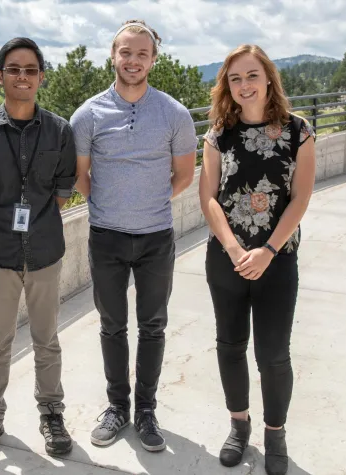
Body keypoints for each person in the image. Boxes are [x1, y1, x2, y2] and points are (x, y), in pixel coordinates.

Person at [70, 19, 197, 451]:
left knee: (153, 326)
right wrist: (110, 205)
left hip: (155, 237)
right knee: (111, 325)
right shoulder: (87, 115)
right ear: (113, 55)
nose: (133, 60)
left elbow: (183, 175)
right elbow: (80, 177)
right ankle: (117, 407)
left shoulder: (174, 114)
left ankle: (146, 411)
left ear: (153, 60)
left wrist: (147, 203)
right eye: (126, 52)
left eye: (142, 54)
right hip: (105, 236)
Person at [199, 44, 315, 475]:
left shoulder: (297, 131)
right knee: (230, 346)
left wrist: (266, 251)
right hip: (226, 259)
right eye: (235, 78)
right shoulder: (217, 133)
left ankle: (275, 431)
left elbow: (301, 198)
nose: (244, 86)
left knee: (273, 355)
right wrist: (233, 249)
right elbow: (207, 198)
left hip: (277, 260)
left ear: (268, 78)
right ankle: (238, 424)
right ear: (227, 86)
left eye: (251, 76)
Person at [0, 37, 77, 458]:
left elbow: (63, 189)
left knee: (47, 339)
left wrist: (34, 219)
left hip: (45, 249)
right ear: (0, 76)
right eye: (14, 69)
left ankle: (51, 414)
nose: (22, 76)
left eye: (30, 70)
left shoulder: (61, 131)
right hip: (0, 252)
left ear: (41, 77)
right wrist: (5, 222)